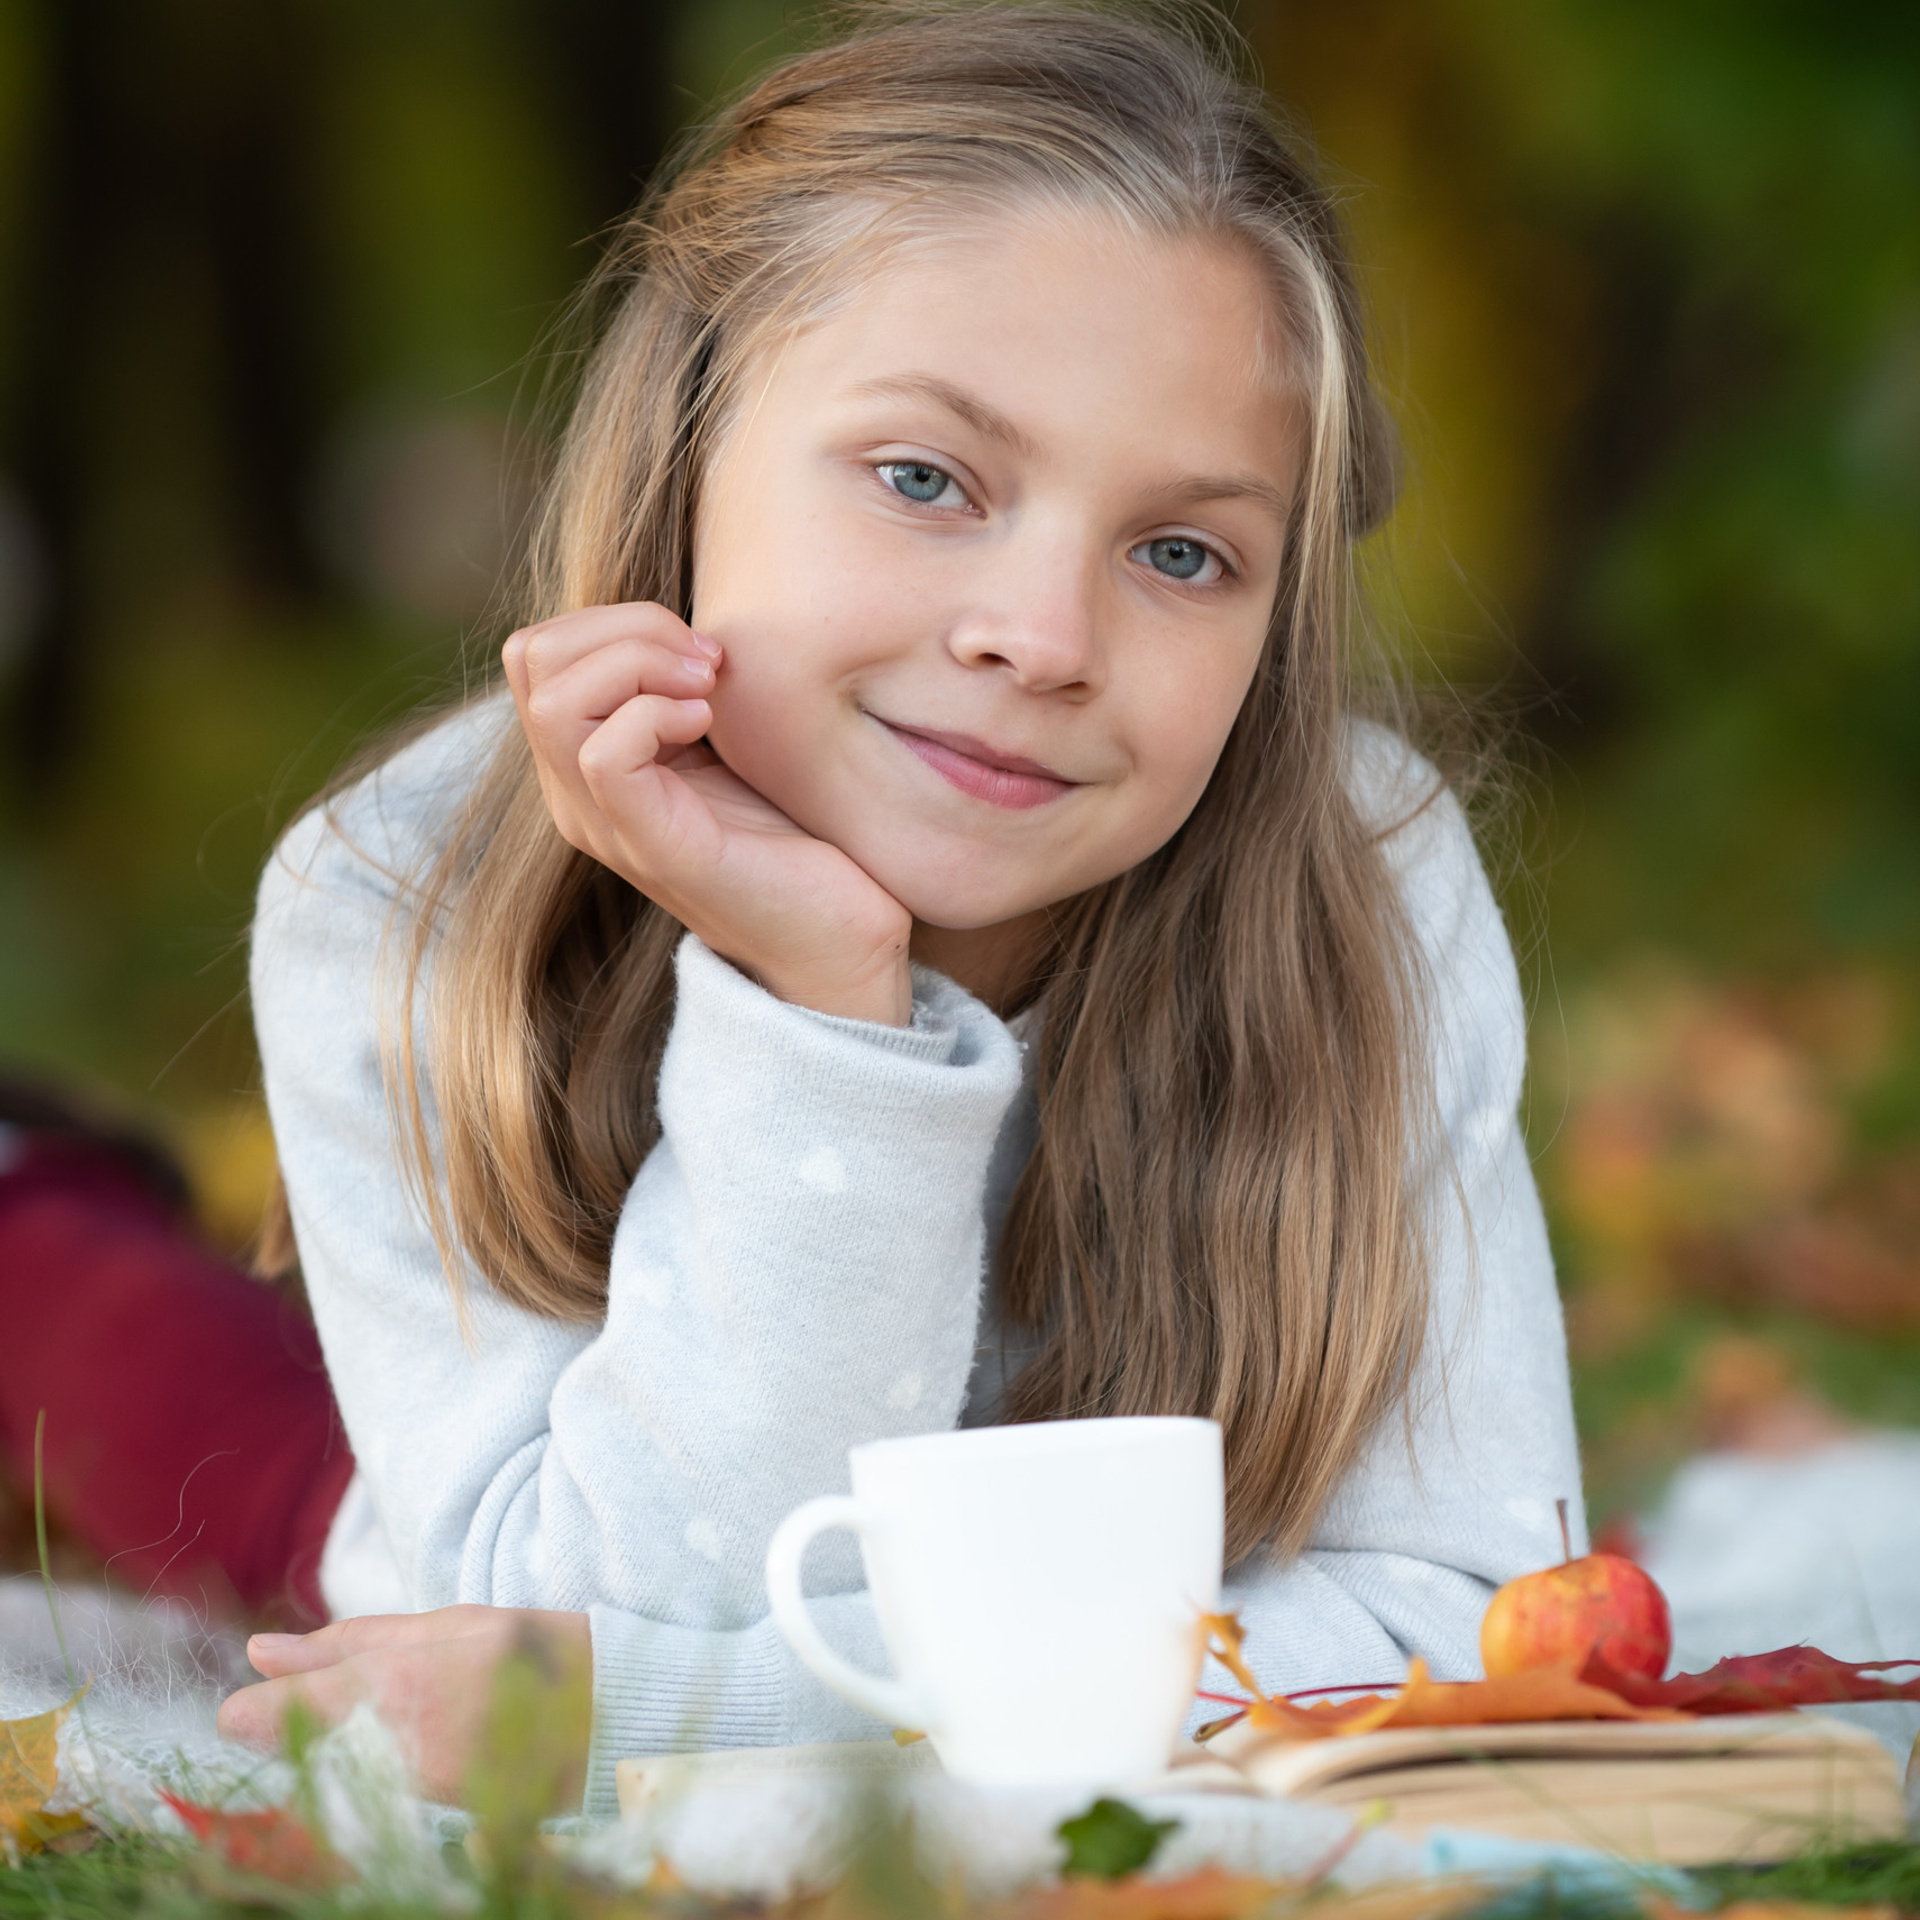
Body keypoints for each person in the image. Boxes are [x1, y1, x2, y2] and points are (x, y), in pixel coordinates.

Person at [37, 2, 1588, 1814]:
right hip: (504, 1486)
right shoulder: (404, 887)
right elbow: (562, 1620)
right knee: (133, 1367)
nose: (1045, 638)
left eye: (1182, 553)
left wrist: (708, 1709)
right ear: (686, 454)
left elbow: (1477, 1618)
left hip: (634, 1564)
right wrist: (823, 1006)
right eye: (926, 479)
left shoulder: (1366, 881)